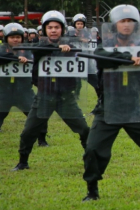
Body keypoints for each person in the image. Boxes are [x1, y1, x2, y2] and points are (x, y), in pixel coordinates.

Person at [82, 5, 140, 201]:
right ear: (114, 25)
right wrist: (128, 58)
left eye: (130, 21)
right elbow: (102, 58)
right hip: (108, 108)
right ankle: (92, 190)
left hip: (135, 108)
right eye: (122, 21)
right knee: (93, 149)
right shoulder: (105, 47)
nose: (126, 25)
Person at [12, 11, 90, 171]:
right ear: (44, 30)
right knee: (28, 132)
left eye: (56, 27)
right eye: (50, 27)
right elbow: (38, 49)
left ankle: (91, 159)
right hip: (44, 97)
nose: (53, 30)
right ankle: (22, 162)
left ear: (62, 29)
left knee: (84, 129)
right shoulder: (39, 45)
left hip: (65, 98)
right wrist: (57, 47)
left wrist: (69, 49)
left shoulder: (71, 46)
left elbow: (81, 59)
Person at [0, 24, 47, 145]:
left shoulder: (28, 50)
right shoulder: (1, 49)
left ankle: (42, 140)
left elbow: (43, 52)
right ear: (6, 38)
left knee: (38, 115)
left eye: (18, 37)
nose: (15, 40)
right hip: (3, 91)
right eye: (12, 37)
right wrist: (15, 58)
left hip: (24, 91)